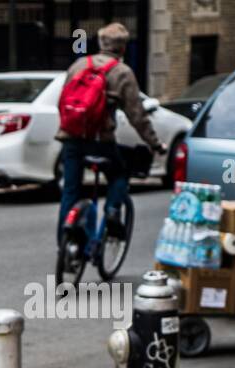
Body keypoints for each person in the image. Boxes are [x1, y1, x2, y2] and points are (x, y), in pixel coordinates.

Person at [57, 22, 165, 241]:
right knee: (120, 174)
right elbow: (137, 116)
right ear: (123, 48)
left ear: (100, 43)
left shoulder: (79, 65)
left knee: (70, 192)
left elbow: (63, 101)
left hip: (71, 138)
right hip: (100, 141)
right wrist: (155, 143)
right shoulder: (122, 72)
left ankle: (65, 244)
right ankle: (113, 211)